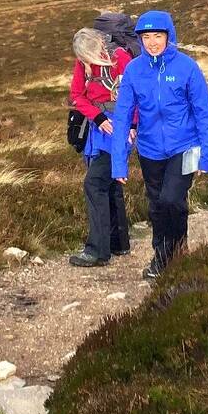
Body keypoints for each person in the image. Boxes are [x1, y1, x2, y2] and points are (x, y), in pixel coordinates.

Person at [110, 10, 208, 279]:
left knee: (172, 199)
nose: (152, 42)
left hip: (184, 146)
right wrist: (118, 162)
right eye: (146, 36)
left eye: (158, 35)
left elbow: (204, 113)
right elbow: (122, 116)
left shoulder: (187, 67)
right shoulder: (134, 70)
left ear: (169, 36)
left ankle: (175, 252)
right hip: (149, 150)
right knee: (157, 205)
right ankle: (163, 255)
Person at [67, 28, 134, 267]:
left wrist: (132, 125)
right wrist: (98, 118)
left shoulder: (121, 58)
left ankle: (97, 250)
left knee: (94, 183)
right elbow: (77, 95)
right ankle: (118, 242)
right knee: (110, 183)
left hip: (121, 128)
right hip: (99, 129)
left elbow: (134, 93)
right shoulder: (82, 60)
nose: (85, 63)